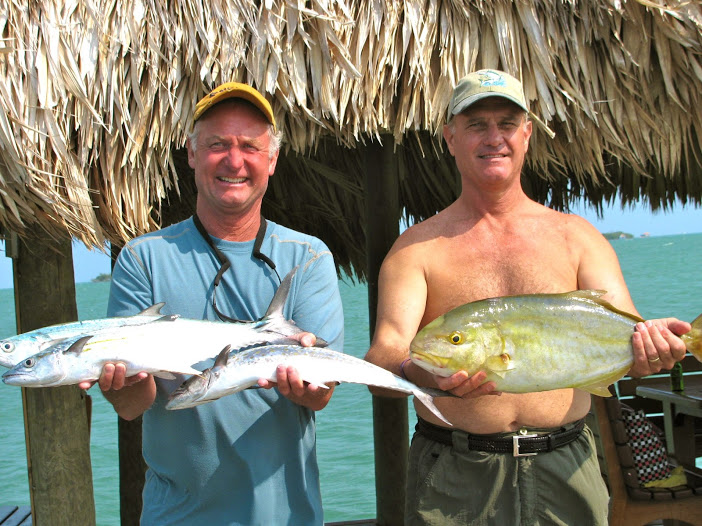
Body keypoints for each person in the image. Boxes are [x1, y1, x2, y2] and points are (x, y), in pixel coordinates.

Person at [364, 69, 690, 525]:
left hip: (566, 463)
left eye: (507, 123)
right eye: (476, 124)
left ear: (527, 134)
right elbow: (382, 359)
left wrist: (656, 350)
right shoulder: (416, 248)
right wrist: (418, 373)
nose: (493, 136)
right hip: (454, 475)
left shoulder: (576, 236)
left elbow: (630, 340)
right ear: (450, 136)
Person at [82, 82, 344, 524]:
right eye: (217, 144)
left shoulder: (309, 256)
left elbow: (320, 397)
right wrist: (121, 383)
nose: (234, 160)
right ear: (191, 153)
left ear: (272, 160)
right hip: (177, 515)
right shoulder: (142, 258)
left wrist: (313, 388)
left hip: (288, 514)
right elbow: (132, 407)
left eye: (249, 146)